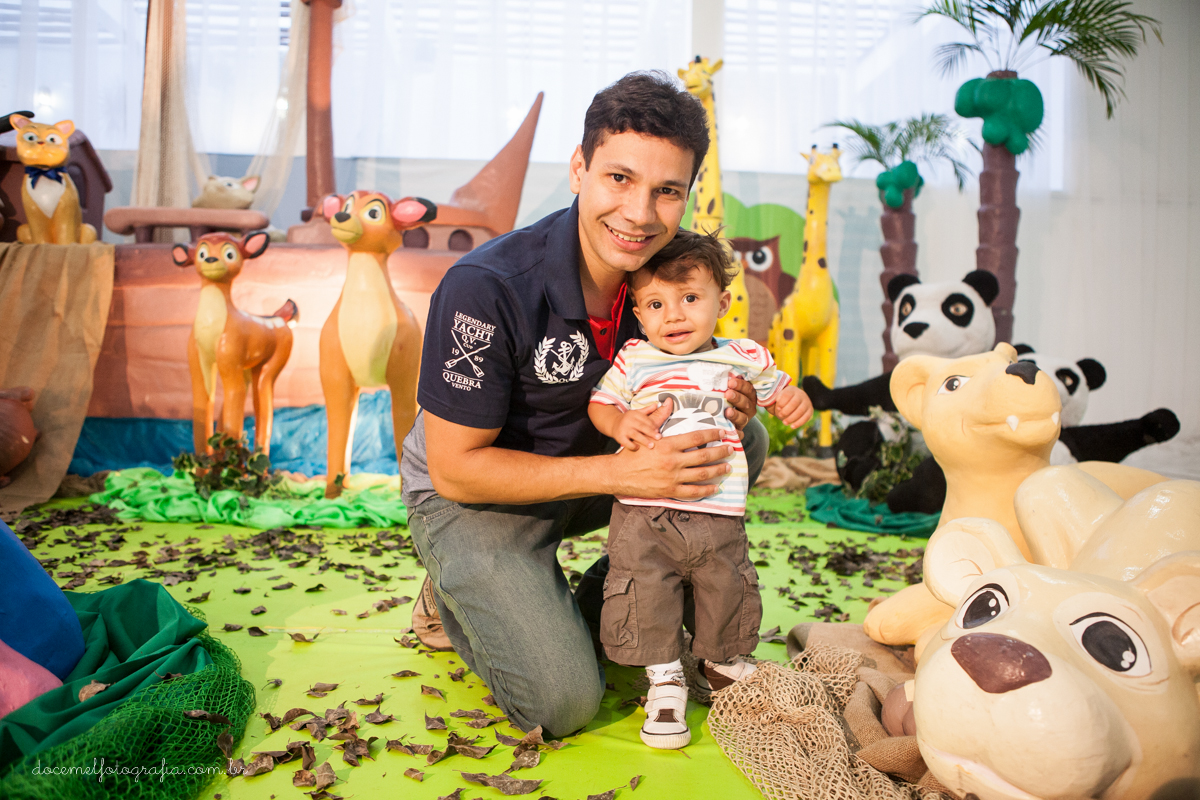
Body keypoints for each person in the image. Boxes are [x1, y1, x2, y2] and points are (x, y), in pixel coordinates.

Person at [400, 71, 771, 738]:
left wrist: (730, 399)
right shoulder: (484, 288)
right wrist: (618, 475)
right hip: (474, 495)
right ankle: (455, 588)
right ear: (579, 169)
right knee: (564, 704)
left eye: (666, 192)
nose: (638, 213)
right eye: (619, 179)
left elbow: (709, 375)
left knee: (743, 441)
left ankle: (627, 587)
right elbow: (457, 468)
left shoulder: (664, 285)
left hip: (588, 464)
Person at [588, 230, 812, 748]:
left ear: (722, 302)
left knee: (725, 585)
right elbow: (601, 405)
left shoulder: (743, 356)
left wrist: (794, 403)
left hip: (717, 511)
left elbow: (781, 393)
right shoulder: (634, 359)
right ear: (639, 315)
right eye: (656, 304)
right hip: (645, 516)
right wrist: (619, 427)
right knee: (649, 590)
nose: (674, 315)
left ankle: (721, 662)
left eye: (690, 298)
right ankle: (665, 679)